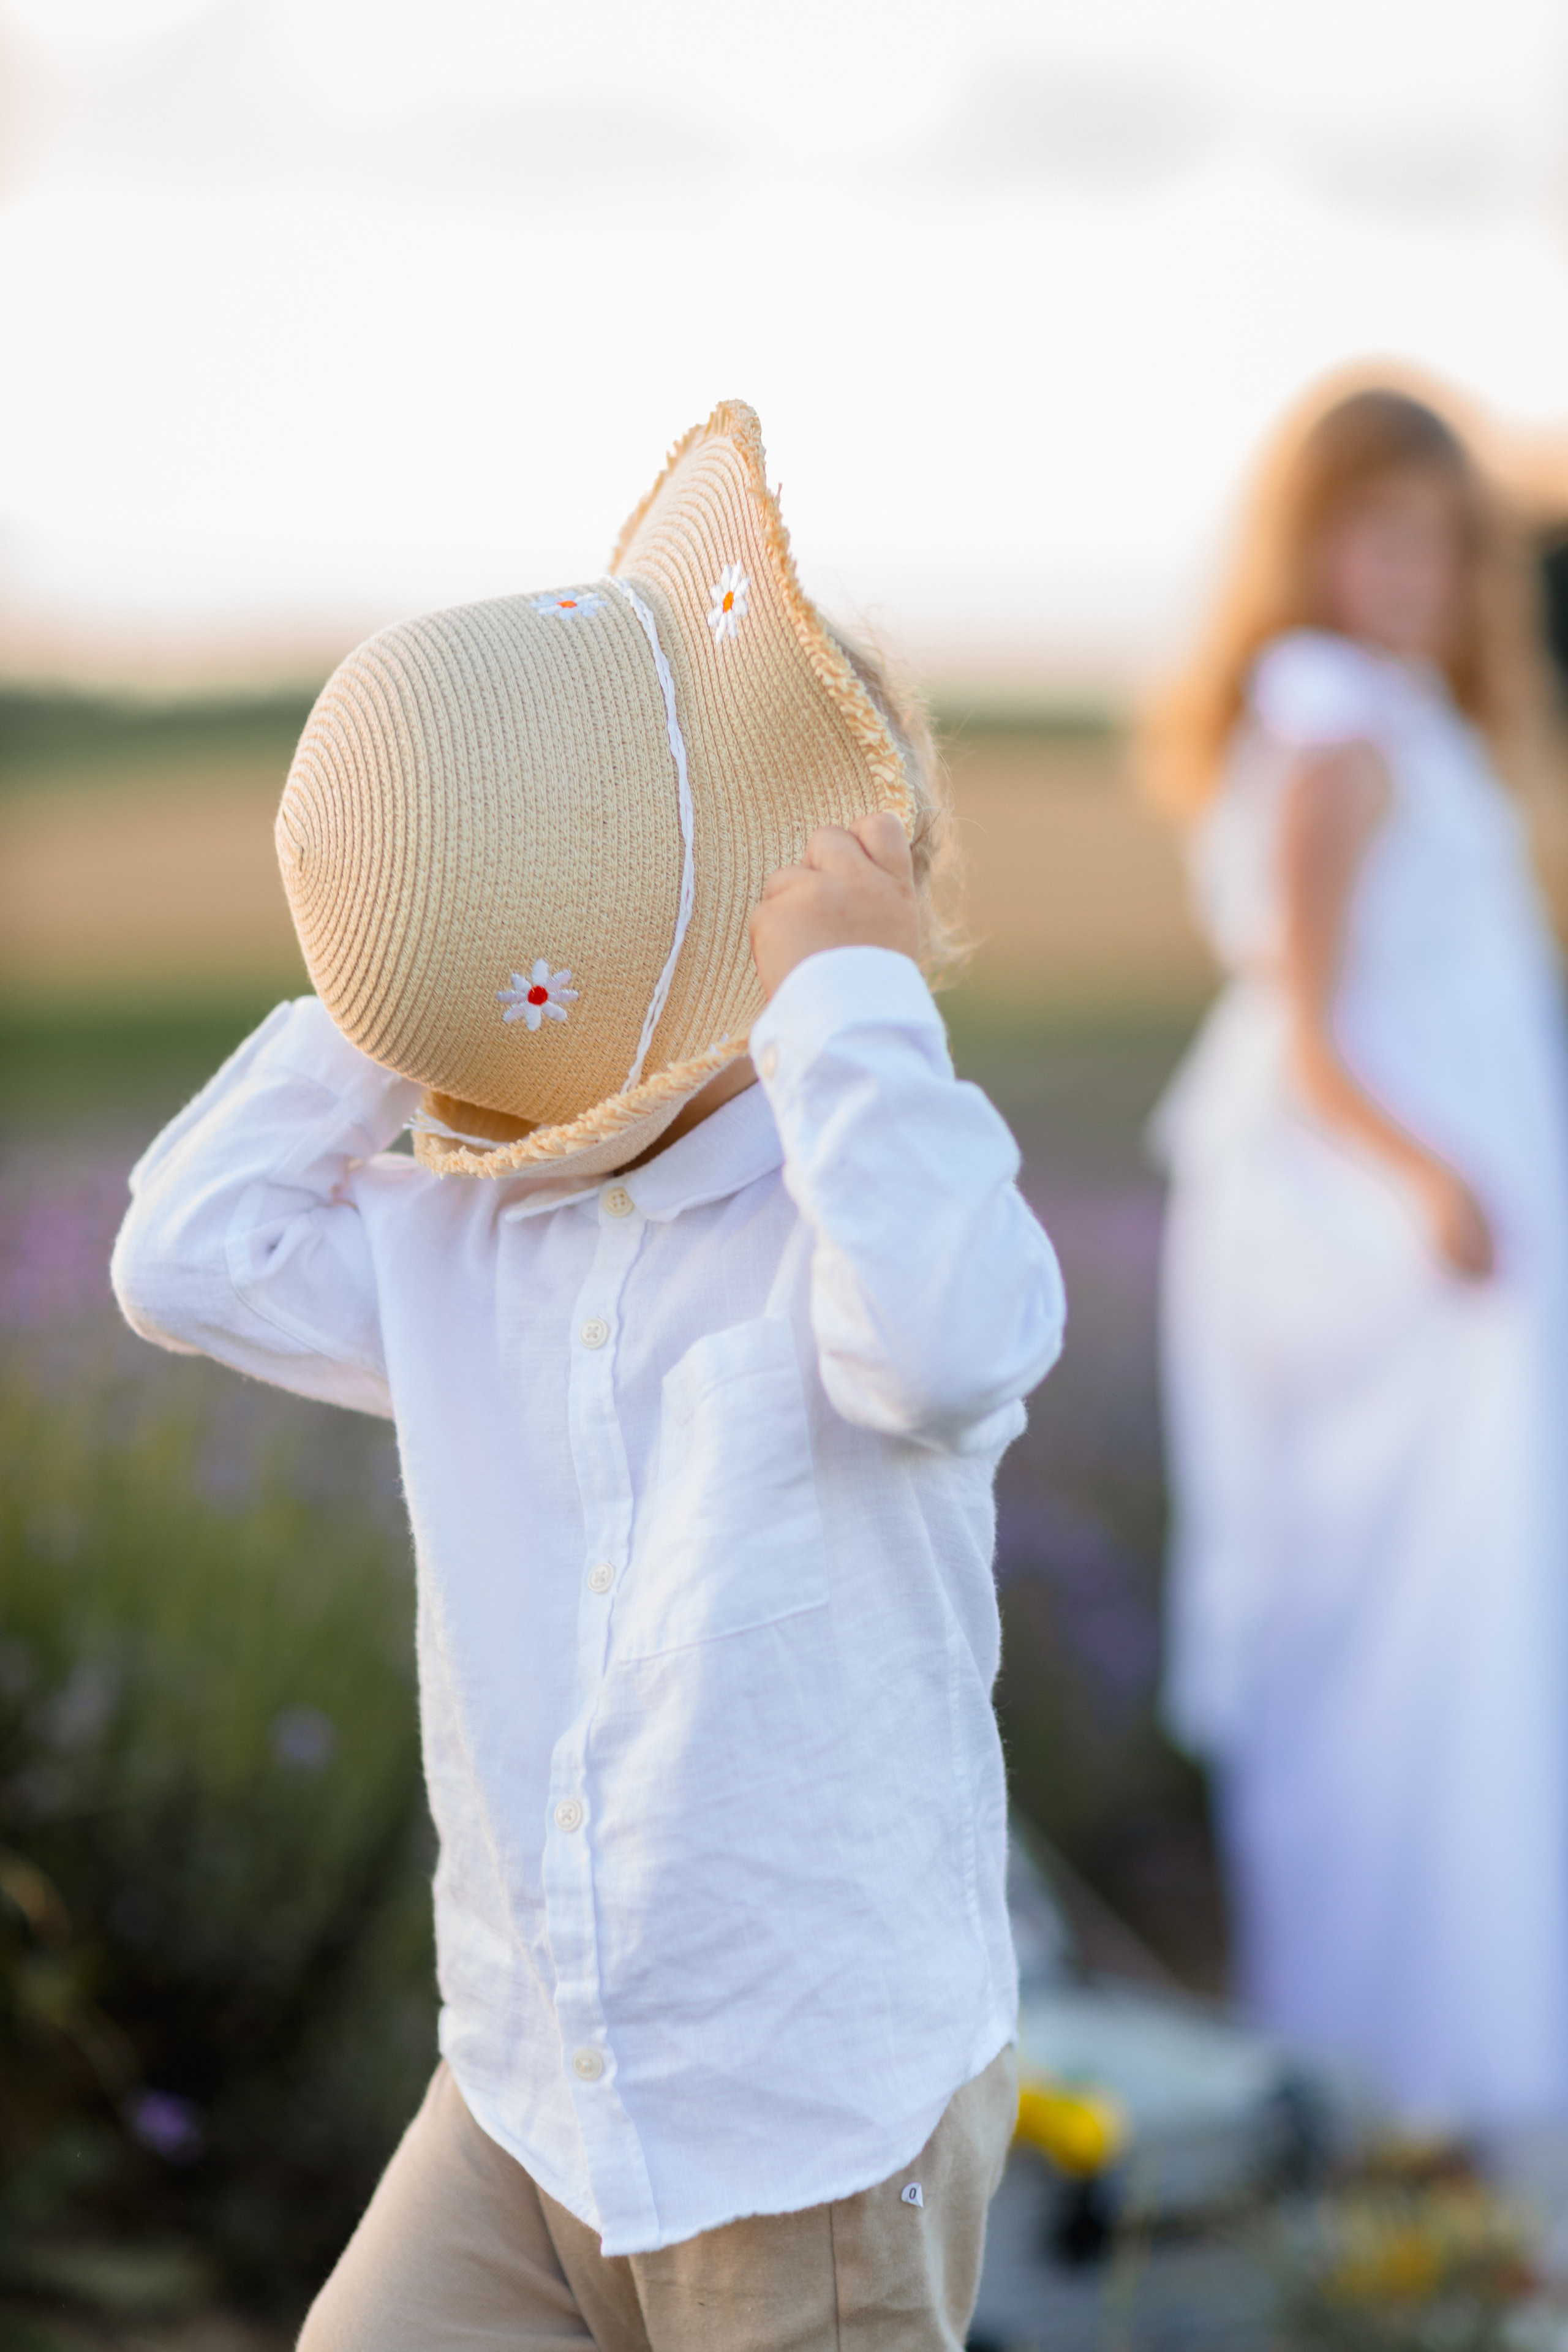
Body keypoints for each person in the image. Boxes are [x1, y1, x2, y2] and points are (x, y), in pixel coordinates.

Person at [110, 401, 1066, 2351]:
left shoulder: (852, 1214)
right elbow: (183, 1259)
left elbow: (958, 1354)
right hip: (538, 2089)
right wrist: (412, 968)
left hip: (801, 2133)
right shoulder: (472, 1236)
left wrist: (847, 1006)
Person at [1145, 380, 1568, 2143]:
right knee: (1417, 1644)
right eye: (1377, 535)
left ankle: (1464, 2034)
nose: (1412, 573)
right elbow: (1310, 1033)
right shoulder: (1332, 734)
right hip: (1390, 1254)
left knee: (1476, 1636)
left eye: (1438, 541)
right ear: (1309, 546)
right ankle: (1416, 2052)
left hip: (1440, 1231)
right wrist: (1440, 1185)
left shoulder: (1400, 713)